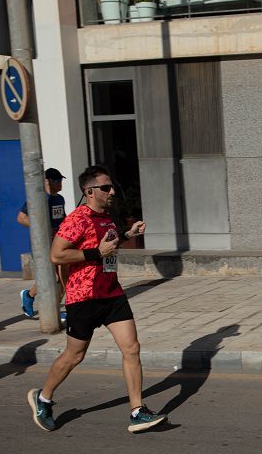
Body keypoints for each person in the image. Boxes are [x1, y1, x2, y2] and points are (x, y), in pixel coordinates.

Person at [25, 165, 165, 434]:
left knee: (132, 348)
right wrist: (94, 254)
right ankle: (43, 398)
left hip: (111, 292)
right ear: (89, 191)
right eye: (106, 187)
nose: (112, 191)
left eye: (111, 187)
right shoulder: (77, 218)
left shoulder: (107, 218)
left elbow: (107, 247)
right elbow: (56, 255)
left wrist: (127, 235)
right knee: (74, 355)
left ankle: (137, 411)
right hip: (84, 296)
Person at [19, 167, 68, 320]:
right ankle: (29, 296)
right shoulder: (38, 199)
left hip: (60, 242)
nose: (60, 183)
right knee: (51, 278)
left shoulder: (59, 199)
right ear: (48, 181)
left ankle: (56, 308)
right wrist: (43, 228)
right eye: (58, 180)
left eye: (61, 180)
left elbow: (62, 219)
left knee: (63, 277)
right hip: (44, 245)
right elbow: (21, 218)